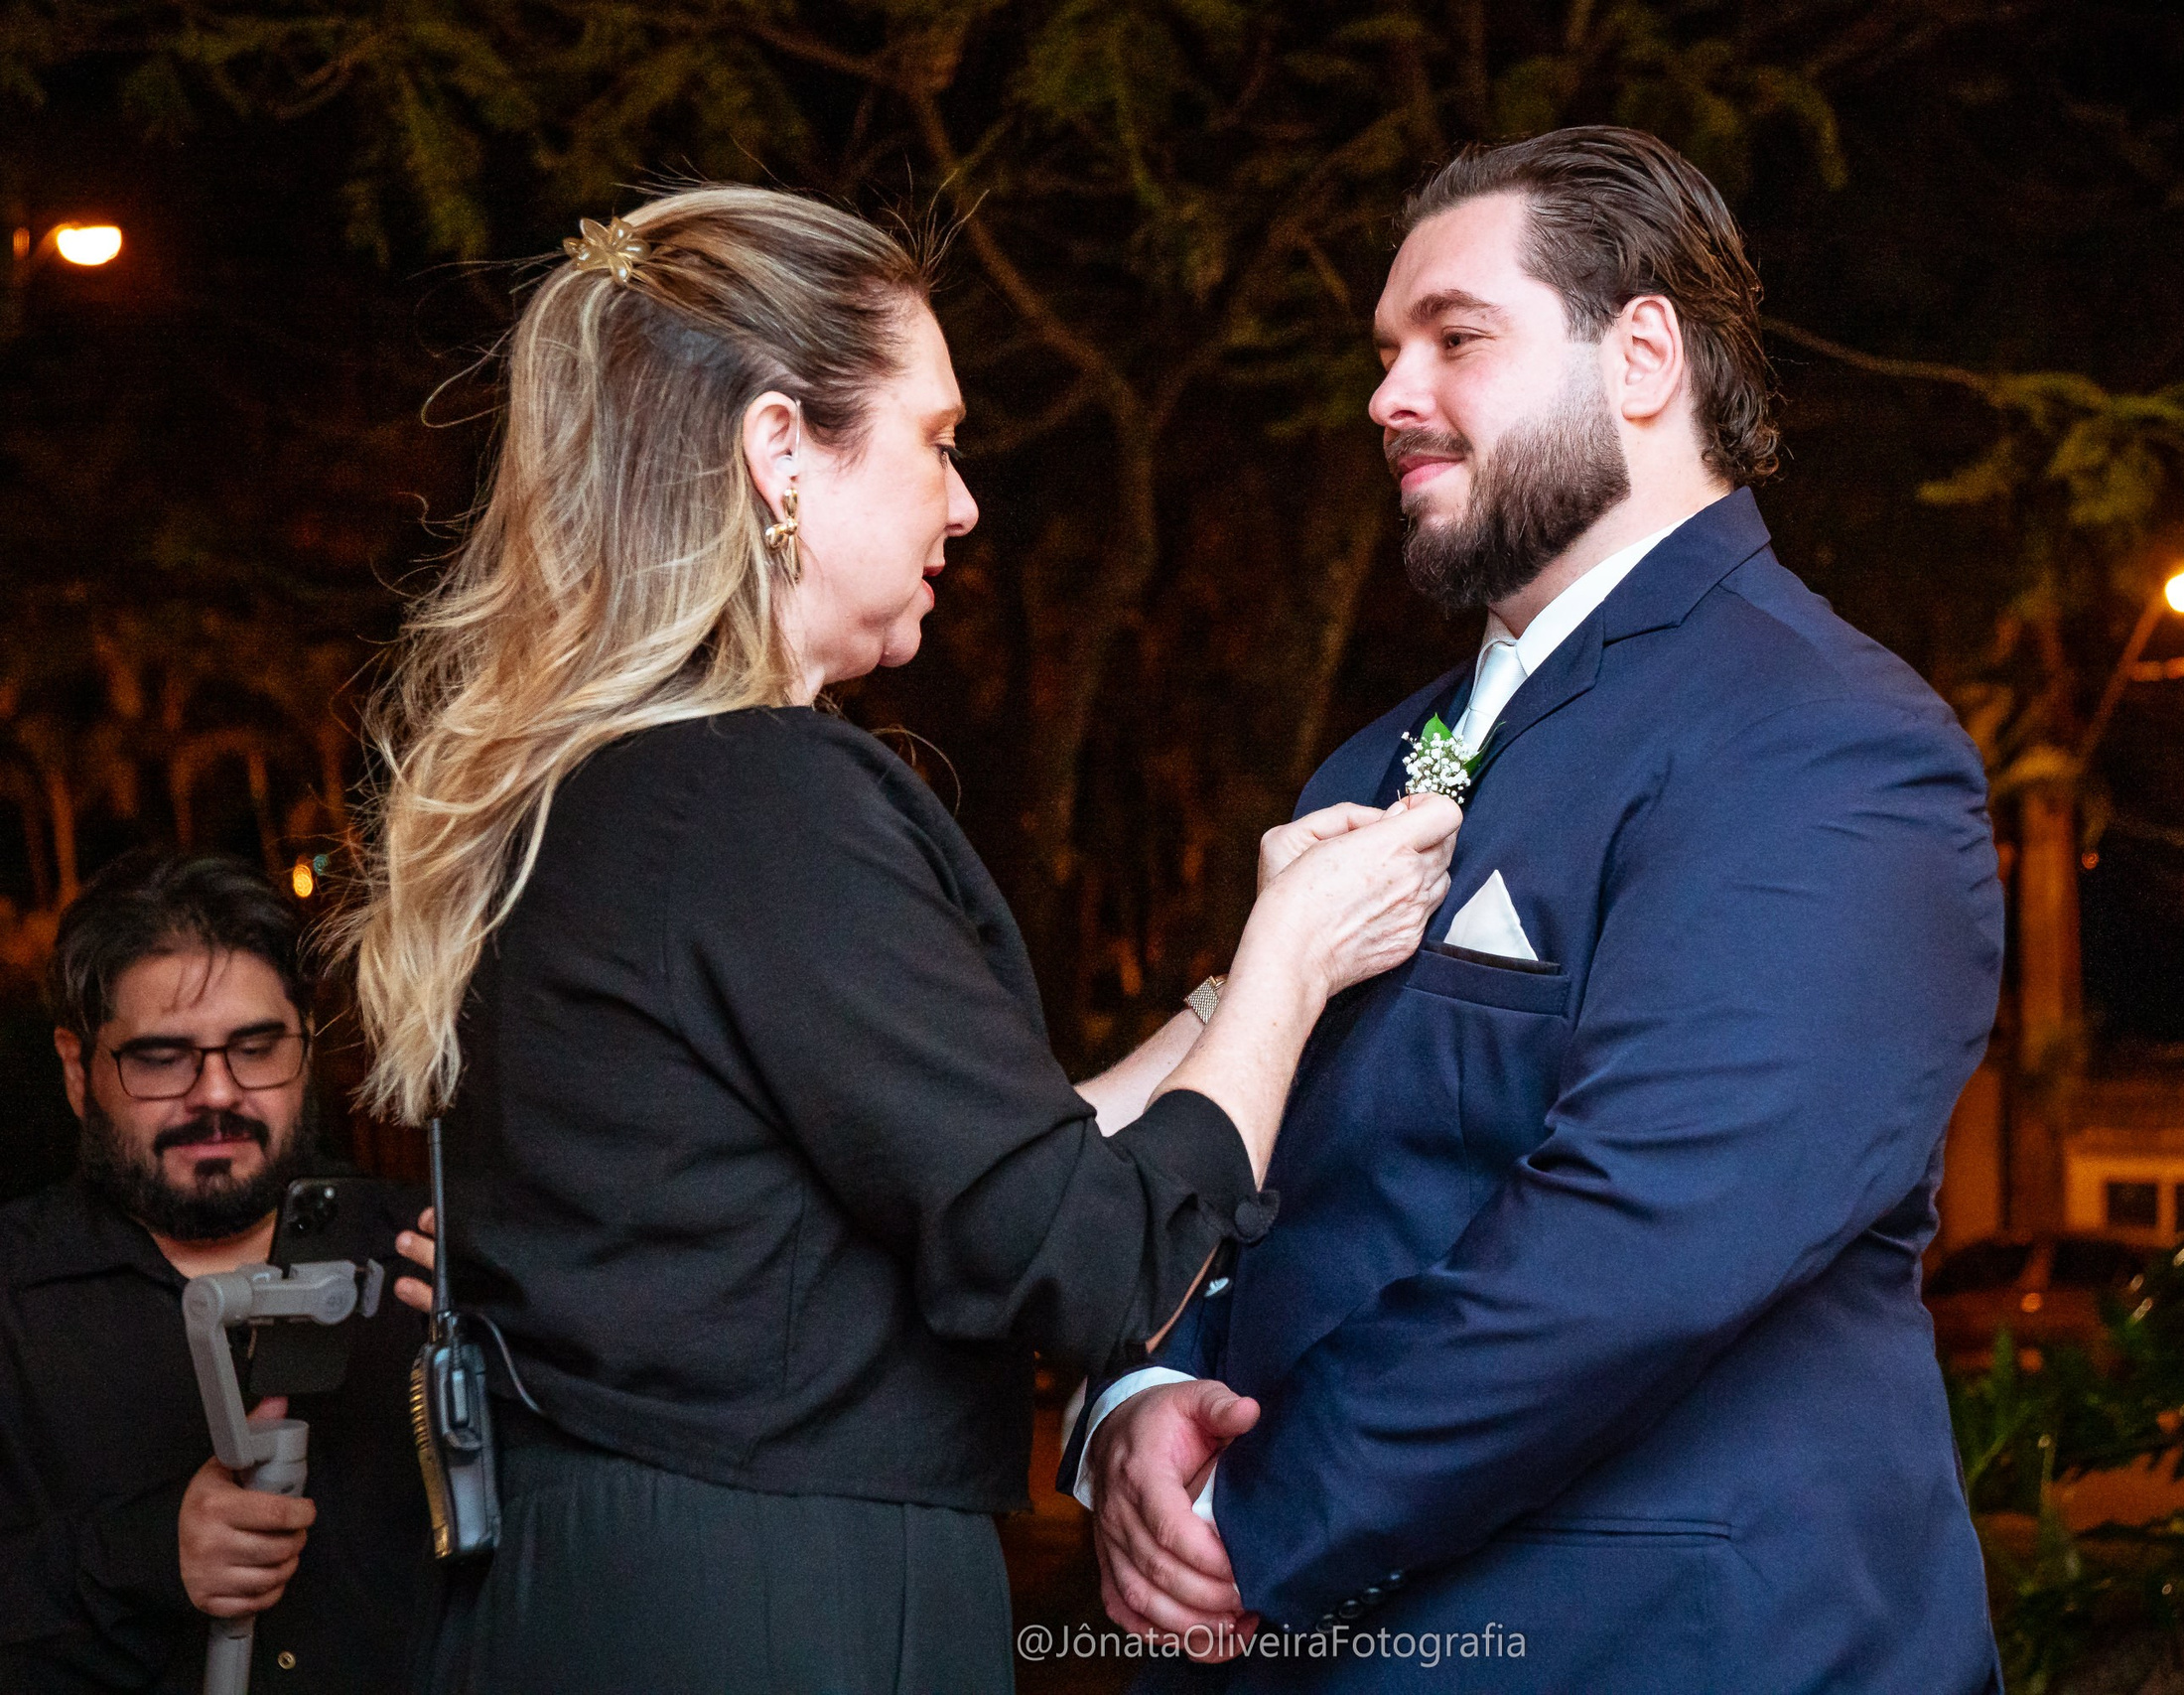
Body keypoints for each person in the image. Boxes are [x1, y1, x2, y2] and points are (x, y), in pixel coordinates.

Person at [340, 185, 1459, 1695]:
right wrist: (1291, 967)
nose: (965, 500)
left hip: (619, 1581)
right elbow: (1085, 1257)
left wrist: (1234, 992)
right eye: (936, 440)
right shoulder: (756, 797)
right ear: (780, 449)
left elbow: (983, 1167)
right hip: (762, 1601)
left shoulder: (623, 792)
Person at [1067, 127, 2007, 1692]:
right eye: (1383, 352)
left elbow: (1642, 1240)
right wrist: (1139, 1398)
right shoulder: (1375, 758)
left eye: (1455, 337)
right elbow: (1244, 1149)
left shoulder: (1826, 742)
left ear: (1643, 355)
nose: (1386, 395)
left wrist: (1252, 1509)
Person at [0, 850, 434, 1693]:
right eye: (163, 1057)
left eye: (255, 1047)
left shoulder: (422, 1253)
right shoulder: (13, 1292)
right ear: (76, 1070)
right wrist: (147, 1554)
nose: (218, 1093)